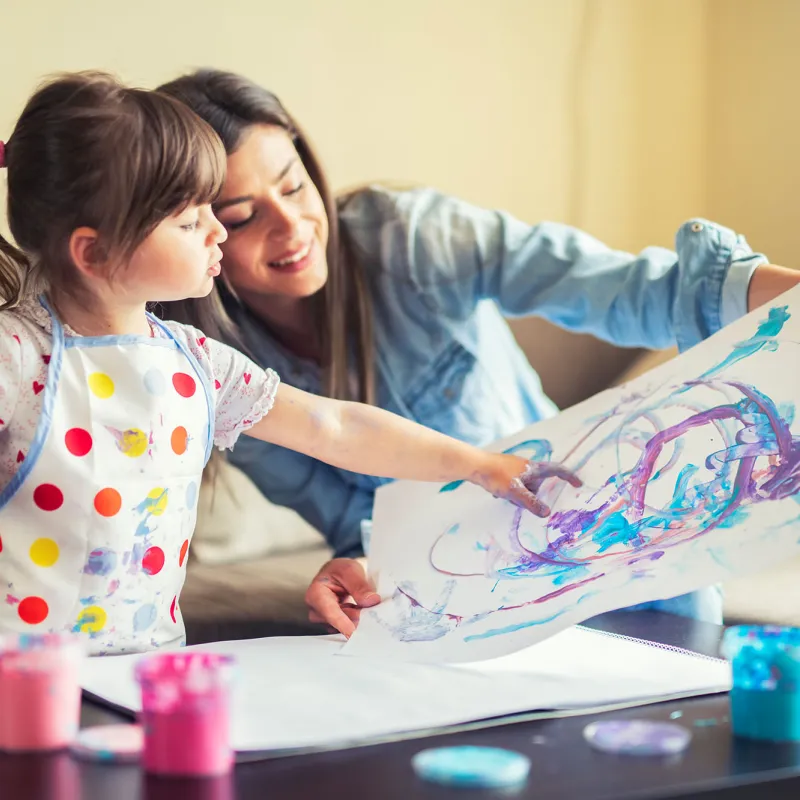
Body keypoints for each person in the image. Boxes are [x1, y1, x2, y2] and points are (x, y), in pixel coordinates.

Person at [157, 69, 800, 637]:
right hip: (446, 584)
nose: (291, 227)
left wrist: (783, 297)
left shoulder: (411, 237)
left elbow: (641, 291)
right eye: (241, 216)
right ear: (193, 232)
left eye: (294, 188)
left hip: (594, 526)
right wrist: (364, 566)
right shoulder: (224, 377)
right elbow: (352, 516)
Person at [0, 72, 576, 655]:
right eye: (190, 219)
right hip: (19, 673)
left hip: (151, 666)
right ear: (94, 251)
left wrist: (477, 463)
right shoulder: (15, 357)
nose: (217, 230)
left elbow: (337, 427)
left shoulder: (198, 363)